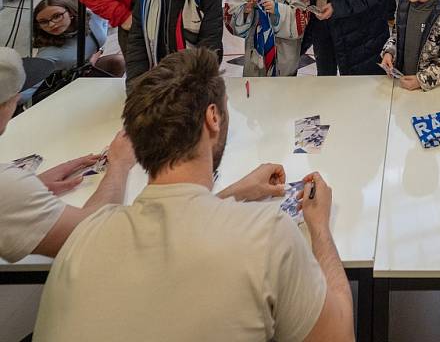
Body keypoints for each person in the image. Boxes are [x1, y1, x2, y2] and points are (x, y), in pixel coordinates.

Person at [34, 48, 355, 342]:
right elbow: (339, 335)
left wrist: (234, 193)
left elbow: (173, 224)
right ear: (212, 118)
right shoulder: (267, 236)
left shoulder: (83, 236)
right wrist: (319, 227)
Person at [0, 47, 136, 264]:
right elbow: (90, 236)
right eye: (16, 96)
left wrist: (31, 186)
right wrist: (120, 164)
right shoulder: (5, 188)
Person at [32, 0, 125, 76]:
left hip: (87, 70)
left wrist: (97, 53)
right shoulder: (46, 55)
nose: (51, 24)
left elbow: (103, 29)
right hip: (65, 85)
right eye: (43, 22)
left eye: (57, 16)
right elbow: (30, 87)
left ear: (71, 12)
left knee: (119, 62)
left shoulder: (92, 18)